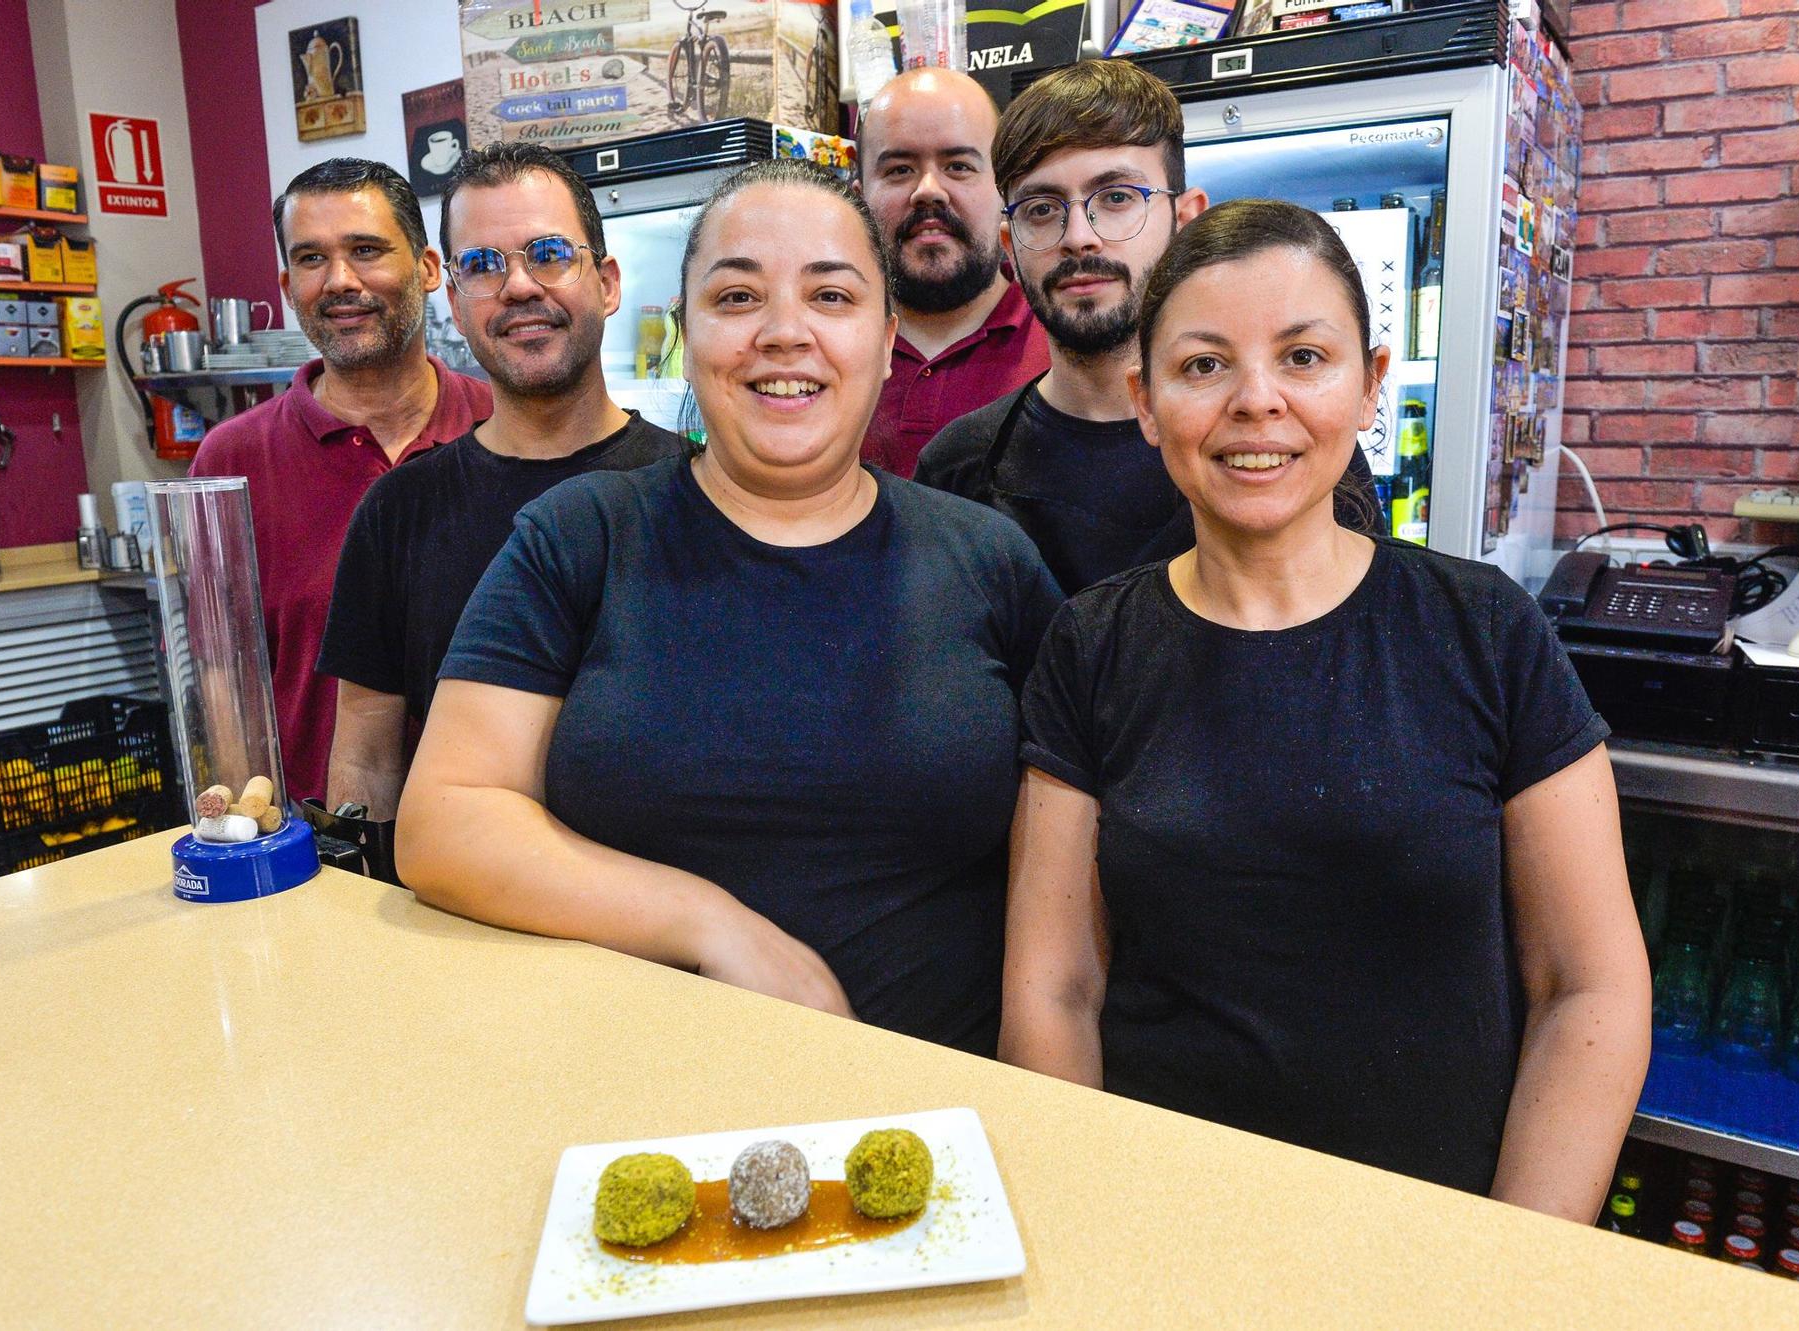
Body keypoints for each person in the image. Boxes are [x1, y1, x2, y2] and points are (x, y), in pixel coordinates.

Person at [999, 198, 1651, 1220]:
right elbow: (1054, 988)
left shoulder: (1484, 628)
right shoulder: (1090, 645)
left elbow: (1588, 985)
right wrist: (1081, 1220)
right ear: (1144, 400)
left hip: (1440, 1237)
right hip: (1159, 1220)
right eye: (1203, 365)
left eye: (1302, 357)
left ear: (1368, 387)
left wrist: (1515, 1270)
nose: (1256, 401)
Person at [396, 161, 1061, 1056]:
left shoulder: (990, 560)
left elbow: (1064, 897)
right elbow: (446, 821)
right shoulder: (581, 536)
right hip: (639, 1115)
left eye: (831, 297)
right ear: (684, 330)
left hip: (934, 1123)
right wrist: (714, 926)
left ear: (887, 334)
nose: (785, 335)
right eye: (738, 297)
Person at [317, 144, 683, 820]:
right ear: (454, 302)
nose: (518, 287)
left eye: (548, 253)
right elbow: (366, 756)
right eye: (483, 265)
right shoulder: (399, 510)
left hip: (654, 914)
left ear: (606, 282)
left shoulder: (693, 488)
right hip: (457, 911)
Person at [916, 59, 1377, 595]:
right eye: (1042, 209)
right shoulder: (959, 468)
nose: (1079, 237)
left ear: (1186, 221)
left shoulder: (1274, 449)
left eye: (1116, 199)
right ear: (1009, 251)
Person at [190, 159, 492, 803]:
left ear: (429, 268)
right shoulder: (231, 460)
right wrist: (254, 826)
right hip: (321, 844)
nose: (340, 281)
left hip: (508, 840)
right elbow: (222, 671)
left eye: (366, 250)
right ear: (285, 285)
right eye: (310, 259)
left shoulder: (501, 427)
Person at [856, 67, 1049, 478]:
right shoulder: (823, 351)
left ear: (1006, 190)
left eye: (958, 166)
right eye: (899, 169)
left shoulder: (1063, 347)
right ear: (858, 201)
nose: (928, 189)